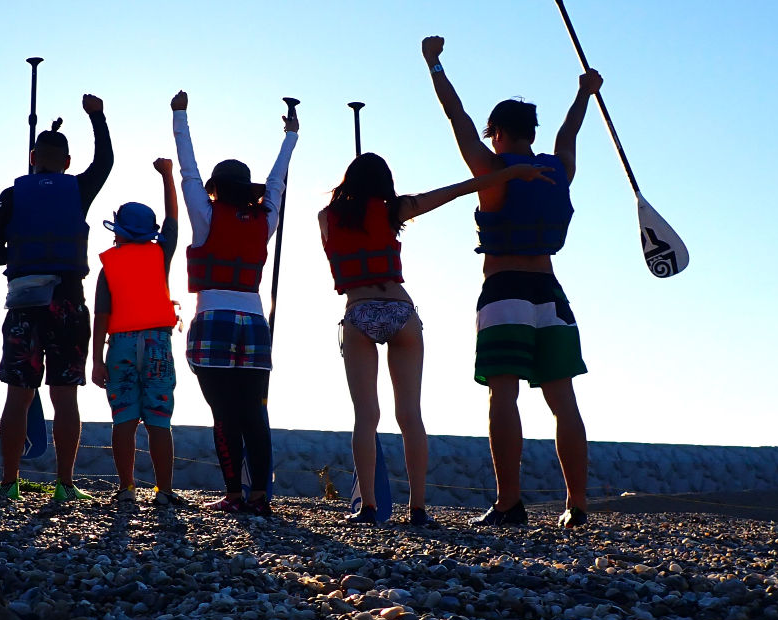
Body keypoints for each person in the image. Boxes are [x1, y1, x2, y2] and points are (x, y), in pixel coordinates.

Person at [319, 153, 556, 526]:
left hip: (359, 311)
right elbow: (459, 190)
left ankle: (367, 507)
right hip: (400, 312)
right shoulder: (395, 209)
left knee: (366, 416)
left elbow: (343, 237)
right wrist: (515, 172)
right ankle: (417, 509)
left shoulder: (326, 217)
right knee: (410, 415)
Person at [422, 35, 601, 527]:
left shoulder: (491, 168)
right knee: (563, 400)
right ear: (532, 132)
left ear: (496, 132)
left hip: (504, 292)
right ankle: (577, 504)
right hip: (551, 293)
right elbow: (568, 136)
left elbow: (455, 118)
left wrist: (436, 66)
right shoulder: (558, 169)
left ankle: (509, 503)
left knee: (503, 395)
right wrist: (585, 92)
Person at [171, 90, 297, 517]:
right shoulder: (265, 220)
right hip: (254, 322)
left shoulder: (206, 215)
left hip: (213, 320)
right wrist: (290, 138)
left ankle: (234, 494)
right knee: (255, 412)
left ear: (216, 189)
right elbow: (278, 181)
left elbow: (188, 172)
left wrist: (180, 115)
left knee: (223, 412)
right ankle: (260, 496)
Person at [0, 95, 113, 501]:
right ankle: (66, 485)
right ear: (67, 162)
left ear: (32, 156)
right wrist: (97, 116)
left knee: (18, 397)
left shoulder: (10, 194)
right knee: (65, 397)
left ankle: (8, 484)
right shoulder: (77, 188)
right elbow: (105, 162)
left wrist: (22, 253)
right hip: (69, 303)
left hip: (24, 304)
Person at [90, 158, 186, 506]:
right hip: (158, 343)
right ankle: (164, 490)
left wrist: (96, 360)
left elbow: (101, 316)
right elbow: (173, 219)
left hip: (121, 347)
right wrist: (167, 176)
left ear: (119, 230)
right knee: (159, 418)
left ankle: (127, 488)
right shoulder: (161, 253)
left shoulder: (109, 267)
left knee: (125, 418)